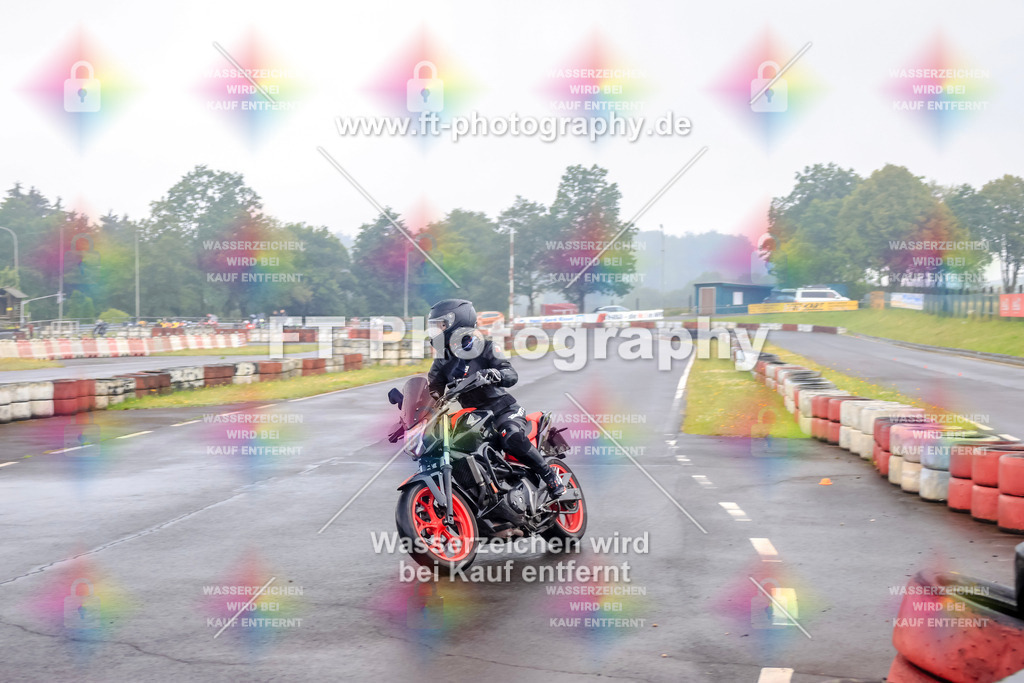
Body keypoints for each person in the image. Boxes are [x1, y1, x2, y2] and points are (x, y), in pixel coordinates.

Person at [426, 298, 565, 497]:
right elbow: (433, 390)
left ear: (458, 322)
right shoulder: (441, 361)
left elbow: (511, 374)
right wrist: (416, 404)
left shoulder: (485, 347)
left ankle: (550, 476)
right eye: (434, 326)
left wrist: (495, 374)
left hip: (503, 410)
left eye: (441, 325)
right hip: (474, 417)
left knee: (511, 438)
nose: (437, 331)